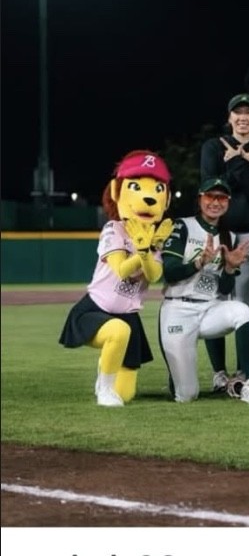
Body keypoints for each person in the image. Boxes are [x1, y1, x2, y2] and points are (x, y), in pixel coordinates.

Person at [59, 150, 173, 406]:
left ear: (165, 199)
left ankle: (109, 366)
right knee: (118, 331)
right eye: (136, 187)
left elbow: (154, 275)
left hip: (128, 315)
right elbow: (121, 269)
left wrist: (148, 250)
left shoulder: (155, 238)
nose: (148, 197)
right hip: (95, 309)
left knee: (127, 394)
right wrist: (142, 251)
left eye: (157, 189)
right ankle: (104, 388)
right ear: (117, 192)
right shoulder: (114, 229)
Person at [158, 178, 249, 404]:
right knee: (187, 395)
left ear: (228, 202)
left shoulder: (229, 237)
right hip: (178, 308)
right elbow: (169, 272)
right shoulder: (183, 226)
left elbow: (224, 288)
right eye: (210, 196)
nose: (215, 202)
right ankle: (178, 376)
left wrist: (229, 268)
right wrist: (199, 263)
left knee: (244, 312)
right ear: (200, 199)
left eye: (221, 198)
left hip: (209, 309)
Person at [199, 93, 249, 391]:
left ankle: (245, 372)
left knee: (245, 305)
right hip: (218, 234)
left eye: (248, 113)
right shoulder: (213, 147)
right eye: (238, 112)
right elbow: (211, 189)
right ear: (230, 117)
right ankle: (219, 373)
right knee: (214, 301)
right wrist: (241, 165)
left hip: (248, 234)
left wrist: (234, 167)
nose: (243, 118)